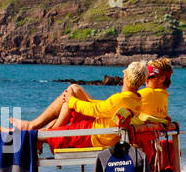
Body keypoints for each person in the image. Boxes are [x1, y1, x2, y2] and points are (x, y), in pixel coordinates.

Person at [11, 62, 146, 150]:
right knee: (74, 88)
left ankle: (44, 130)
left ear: (126, 78)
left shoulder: (121, 99)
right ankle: (44, 128)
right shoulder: (135, 99)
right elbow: (104, 107)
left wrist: (72, 101)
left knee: (70, 94)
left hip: (95, 135)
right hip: (102, 129)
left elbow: (96, 111)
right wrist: (73, 99)